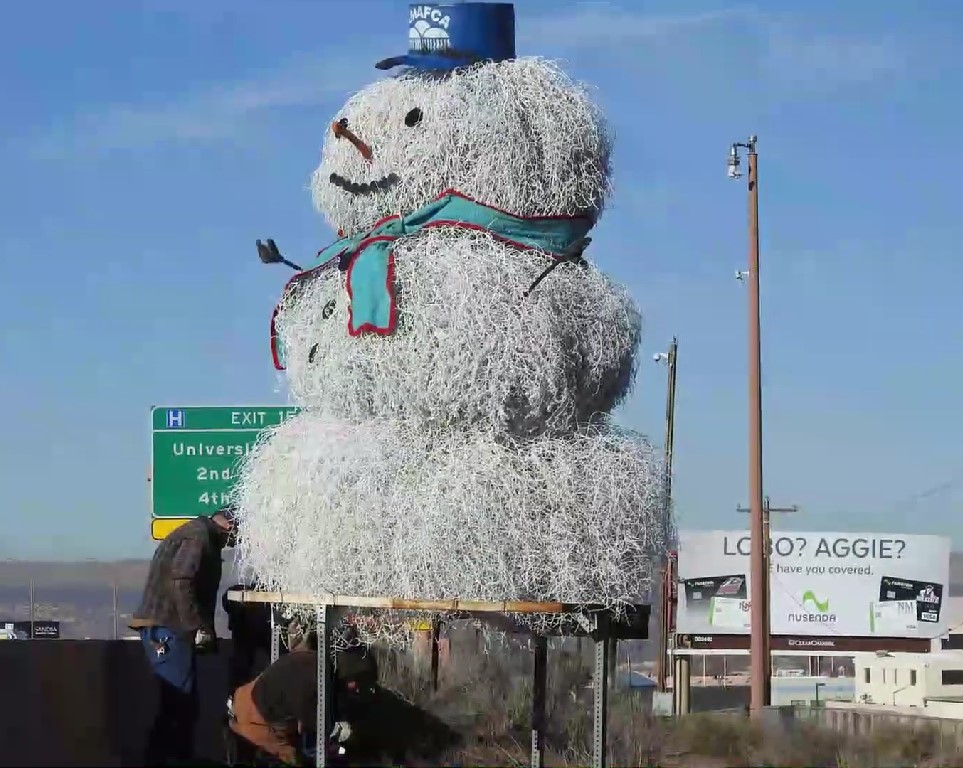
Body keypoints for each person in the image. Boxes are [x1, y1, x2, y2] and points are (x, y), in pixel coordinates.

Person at [129, 504, 238, 765]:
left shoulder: (196, 533)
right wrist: (196, 626)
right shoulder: (198, 538)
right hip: (169, 628)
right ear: (229, 527)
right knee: (178, 705)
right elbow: (181, 580)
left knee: (179, 705)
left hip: (167, 627)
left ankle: (174, 758)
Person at [228, 620, 378, 766]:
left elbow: (280, 747)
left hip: (299, 691)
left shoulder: (244, 726)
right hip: (300, 666)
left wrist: (296, 759)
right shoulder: (244, 695)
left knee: (329, 725)